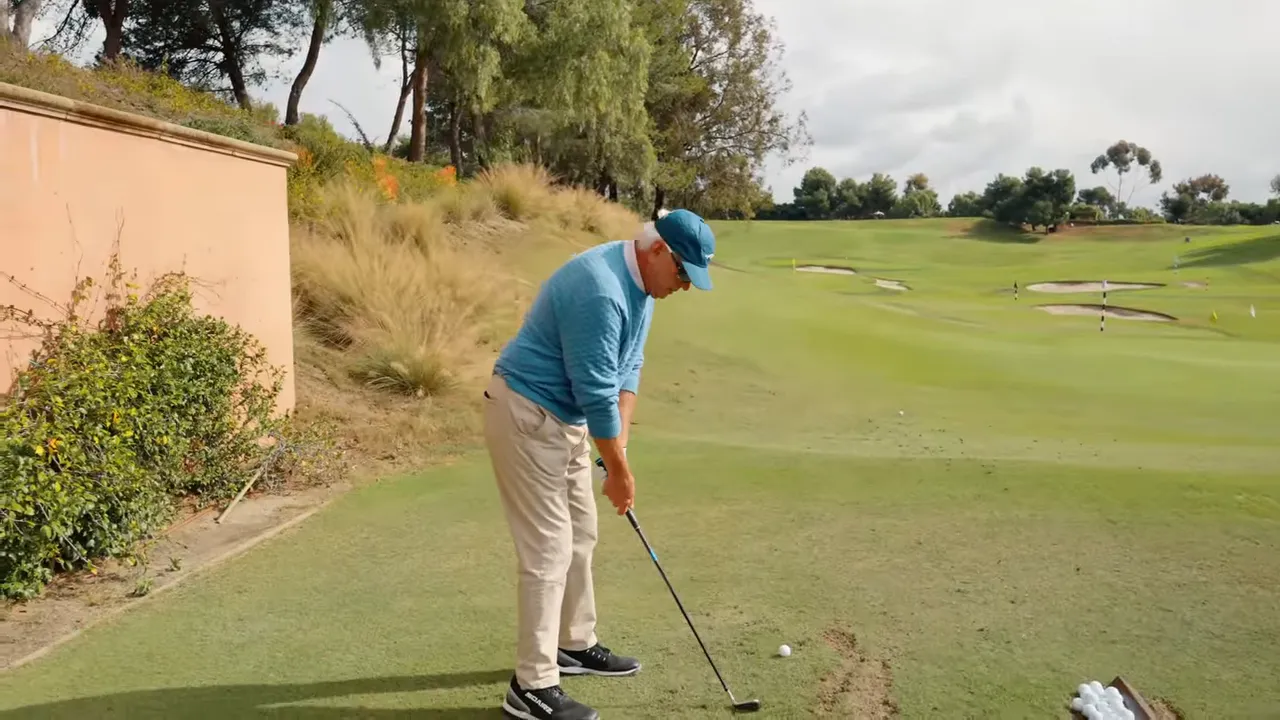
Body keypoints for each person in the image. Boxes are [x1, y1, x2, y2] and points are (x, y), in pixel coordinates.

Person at [482, 209, 716, 720]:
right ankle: (531, 685)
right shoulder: (602, 290)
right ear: (659, 250)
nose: (684, 286)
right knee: (548, 550)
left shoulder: (644, 287)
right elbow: (595, 390)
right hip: (526, 414)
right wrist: (620, 474)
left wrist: (619, 453)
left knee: (582, 534)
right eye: (683, 273)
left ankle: (573, 643)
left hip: (565, 421)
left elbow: (629, 367)